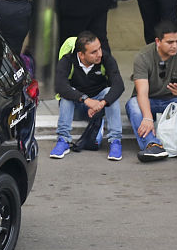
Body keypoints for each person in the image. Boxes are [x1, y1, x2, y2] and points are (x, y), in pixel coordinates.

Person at [126, 20, 177, 163]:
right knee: (133, 104)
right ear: (158, 41)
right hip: (149, 100)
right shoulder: (143, 57)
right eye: (170, 42)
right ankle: (152, 145)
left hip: (173, 101)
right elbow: (142, 93)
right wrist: (147, 117)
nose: (175, 45)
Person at [49, 32, 125, 161]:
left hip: (99, 106)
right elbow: (60, 86)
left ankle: (115, 141)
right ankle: (63, 140)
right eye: (94, 52)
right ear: (81, 54)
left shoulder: (105, 59)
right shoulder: (68, 60)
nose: (99, 54)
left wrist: (101, 103)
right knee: (67, 94)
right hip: (78, 106)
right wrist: (86, 100)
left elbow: (119, 85)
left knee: (109, 92)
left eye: (100, 48)